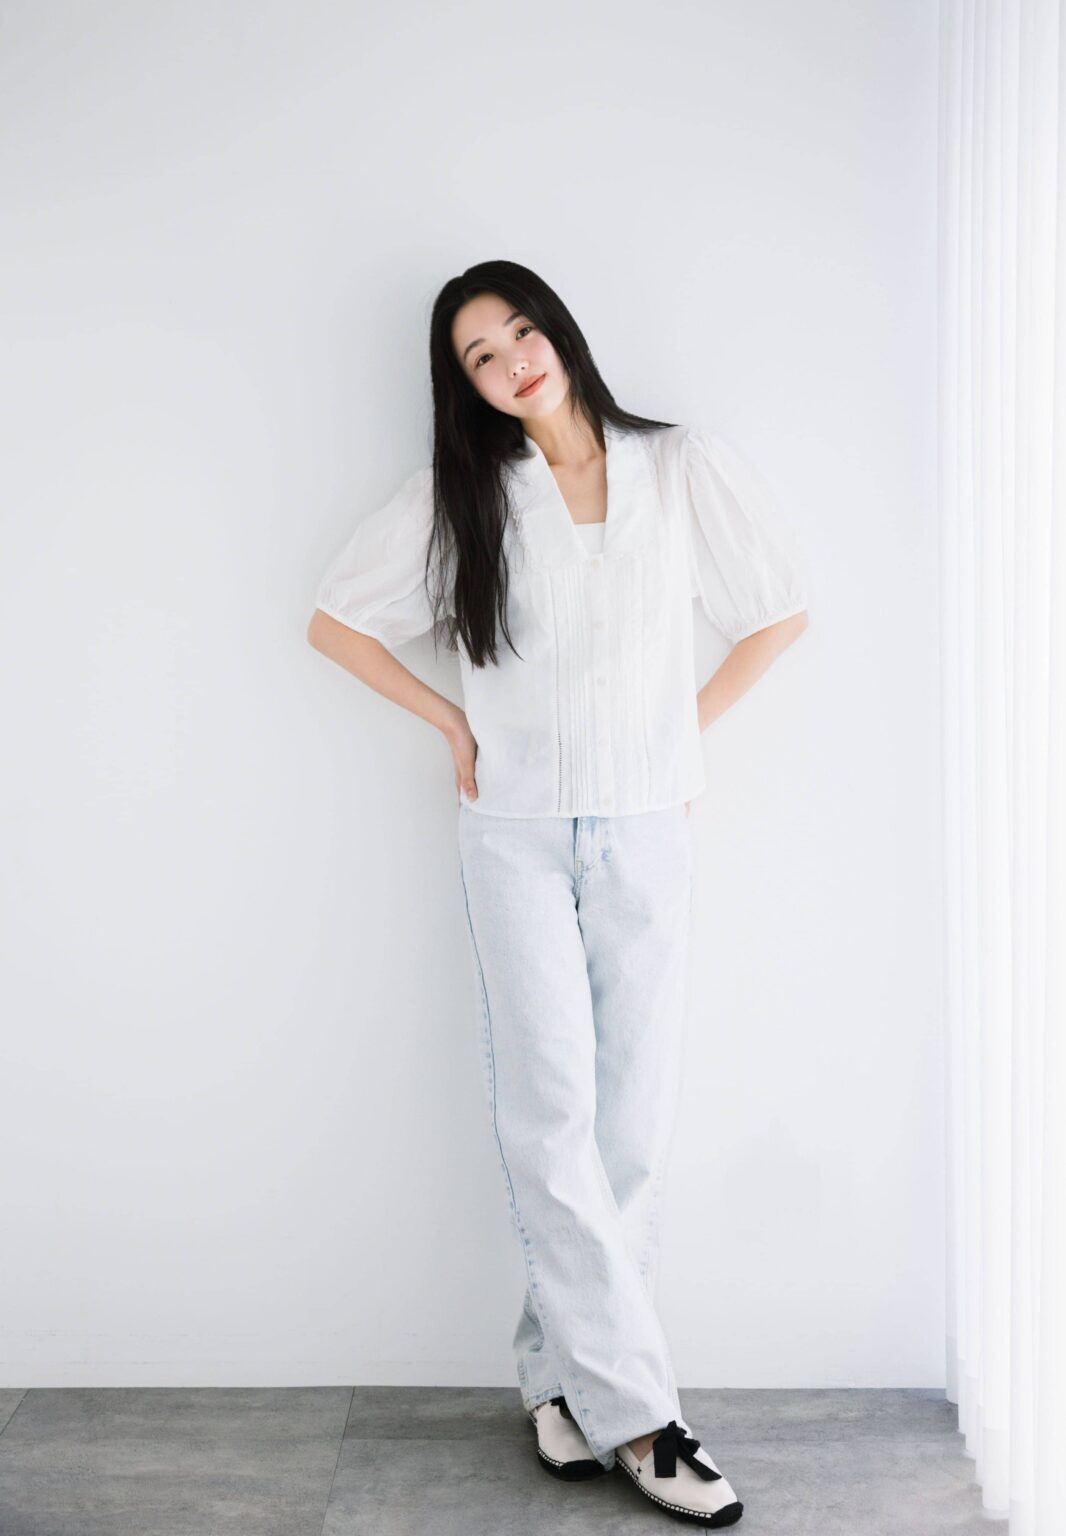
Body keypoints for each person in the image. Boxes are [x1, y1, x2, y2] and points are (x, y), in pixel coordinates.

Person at [307, 259, 809, 1526]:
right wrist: (451, 726)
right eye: (479, 356)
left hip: (646, 831)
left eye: (519, 332)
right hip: (514, 835)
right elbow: (334, 622)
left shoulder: (677, 467)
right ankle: (640, 1417)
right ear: (464, 387)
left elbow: (777, 611)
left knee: (628, 1127)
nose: (510, 362)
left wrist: (677, 739)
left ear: (560, 332)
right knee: (550, 1117)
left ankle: (556, 1383)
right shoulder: (464, 499)